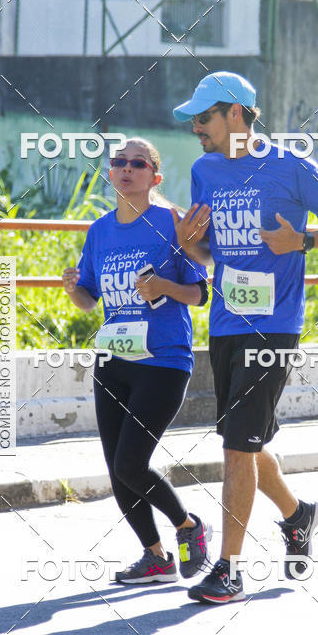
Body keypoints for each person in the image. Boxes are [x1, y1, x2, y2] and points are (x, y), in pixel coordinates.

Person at [172, 72, 318, 604]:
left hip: (273, 327)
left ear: (236, 113)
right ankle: (299, 515)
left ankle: (228, 570)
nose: (196, 129)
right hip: (227, 324)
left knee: (236, 447)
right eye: (193, 121)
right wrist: (192, 247)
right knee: (246, 443)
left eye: (204, 118)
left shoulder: (290, 166)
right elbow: (211, 255)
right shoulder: (204, 169)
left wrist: (302, 240)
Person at [62, 137, 212, 585]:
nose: (126, 169)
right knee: (117, 470)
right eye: (119, 162)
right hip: (113, 358)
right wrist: (75, 291)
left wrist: (164, 287)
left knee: (131, 462)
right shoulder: (99, 231)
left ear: (155, 176)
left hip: (163, 359)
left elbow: (201, 292)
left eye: (138, 163)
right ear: (111, 172)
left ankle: (189, 527)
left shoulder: (172, 223)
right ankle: (157, 558)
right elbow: (90, 300)